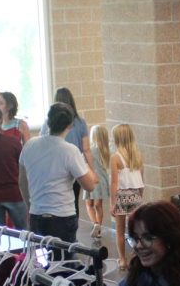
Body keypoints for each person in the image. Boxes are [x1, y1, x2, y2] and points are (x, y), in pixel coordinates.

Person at [19, 102, 97, 243]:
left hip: (36, 214)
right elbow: (90, 185)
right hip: (62, 217)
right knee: (64, 261)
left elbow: (22, 182)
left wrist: (30, 206)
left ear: (48, 121)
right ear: (70, 125)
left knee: (39, 261)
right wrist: (86, 164)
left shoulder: (29, 145)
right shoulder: (70, 151)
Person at [110, 123, 145, 271]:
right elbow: (141, 179)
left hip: (122, 196)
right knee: (135, 230)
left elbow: (114, 183)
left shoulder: (115, 158)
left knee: (120, 230)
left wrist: (113, 203)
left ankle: (122, 260)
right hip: (135, 195)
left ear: (117, 138)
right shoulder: (137, 156)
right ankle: (137, 257)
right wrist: (140, 196)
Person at [55, 87, 92, 213]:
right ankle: (72, 226)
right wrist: (92, 170)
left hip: (57, 166)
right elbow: (86, 149)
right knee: (74, 200)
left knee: (59, 198)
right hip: (75, 167)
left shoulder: (48, 123)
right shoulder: (80, 122)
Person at [84, 123, 111, 241]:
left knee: (89, 204)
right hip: (103, 181)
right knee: (99, 205)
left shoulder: (91, 149)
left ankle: (95, 224)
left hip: (91, 179)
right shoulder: (106, 150)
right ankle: (98, 230)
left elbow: (83, 161)